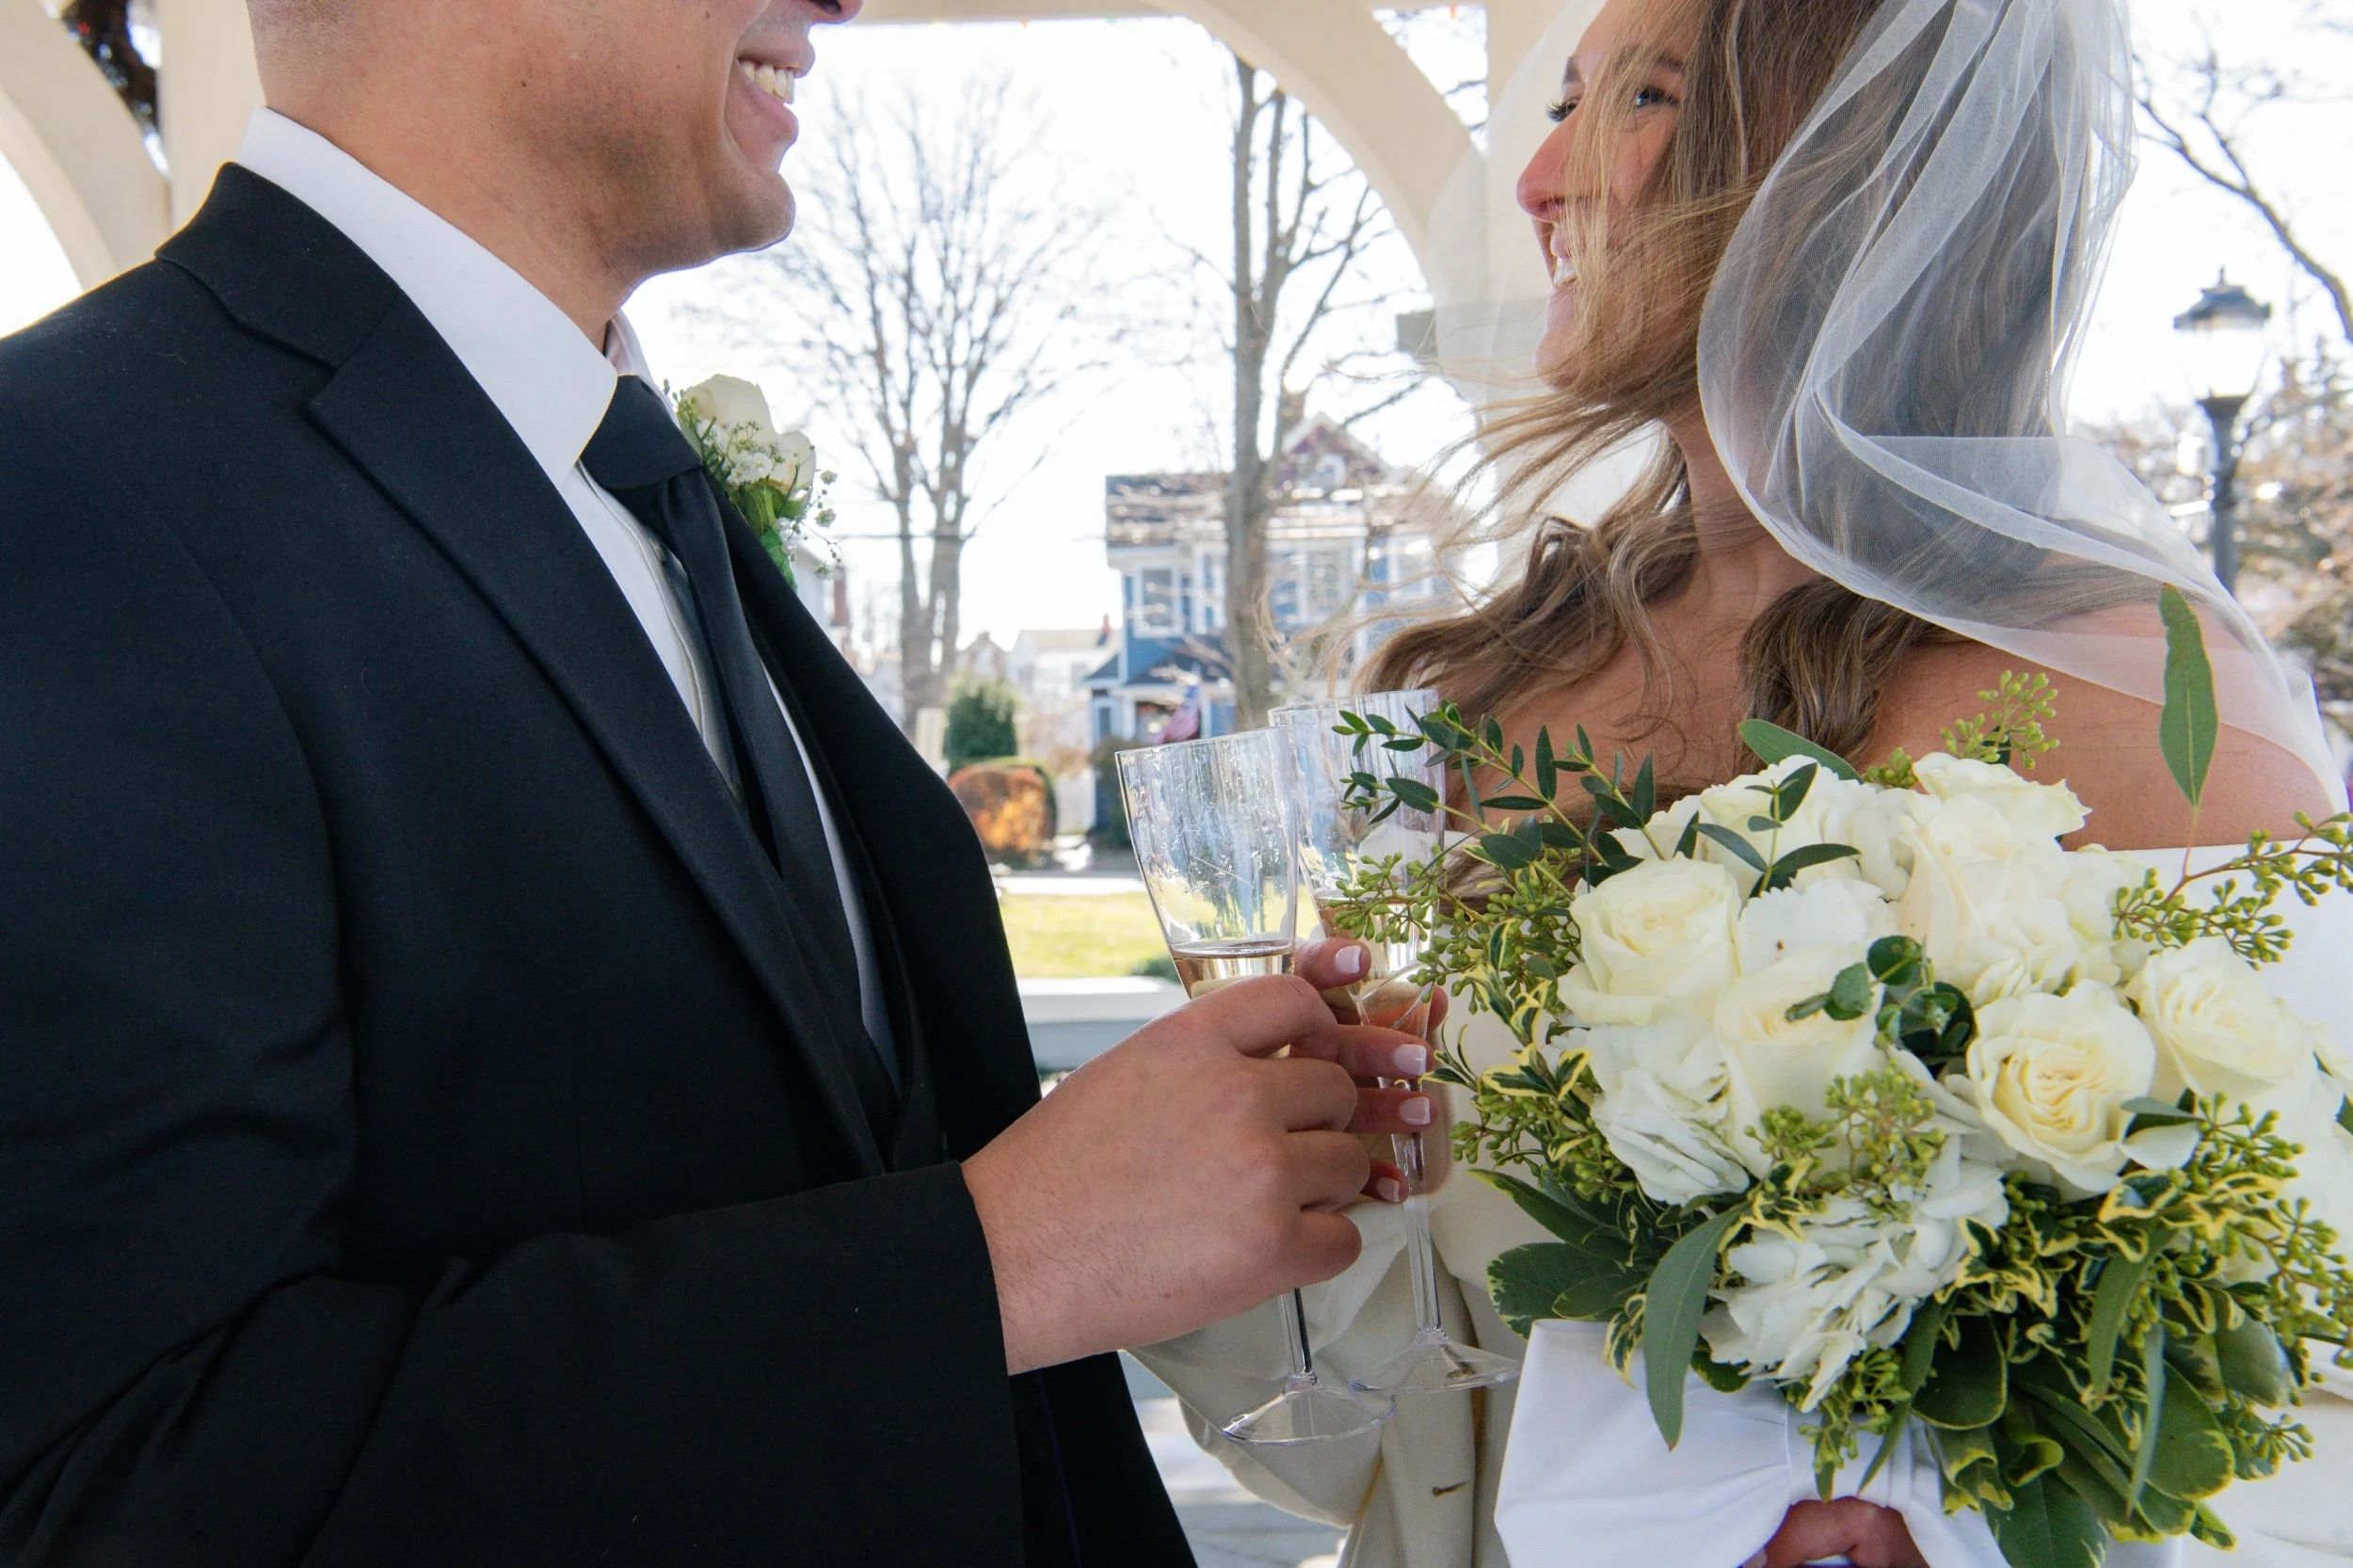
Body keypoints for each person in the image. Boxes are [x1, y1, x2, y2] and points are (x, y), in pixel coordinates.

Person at [0, 1, 1437, 1561]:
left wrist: (1134, 1163)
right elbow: (127, 1489)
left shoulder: (616, 473)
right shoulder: (70, 489)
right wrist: (1004, 1255)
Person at [1137, 0, 2353, 1564]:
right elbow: (1380, 1378)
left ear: (1850, 163)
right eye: (1561, 96)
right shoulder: (1461, 697)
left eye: (1639, 98)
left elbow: (2293, 1336)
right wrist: (1281, 1140)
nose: (1539, 175)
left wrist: (1933, 1521)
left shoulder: (2136, 689)